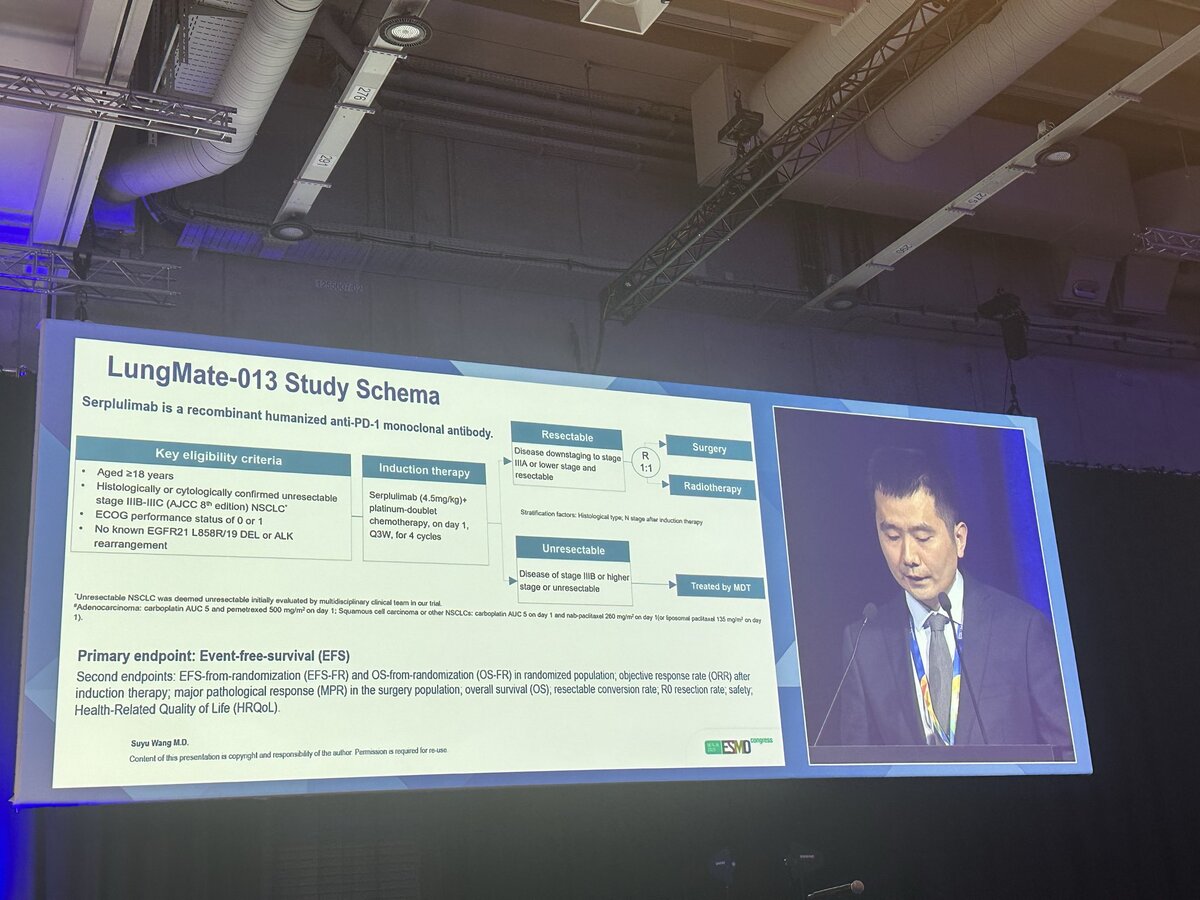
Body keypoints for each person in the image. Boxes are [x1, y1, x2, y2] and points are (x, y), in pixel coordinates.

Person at [835, 447, 1072, 751]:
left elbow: (1064, 752)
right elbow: (858, 768)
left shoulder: (1023, 631)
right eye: (892, 536)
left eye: (922, 537)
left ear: (959, 539)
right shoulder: (862, 645)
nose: (908, 557)